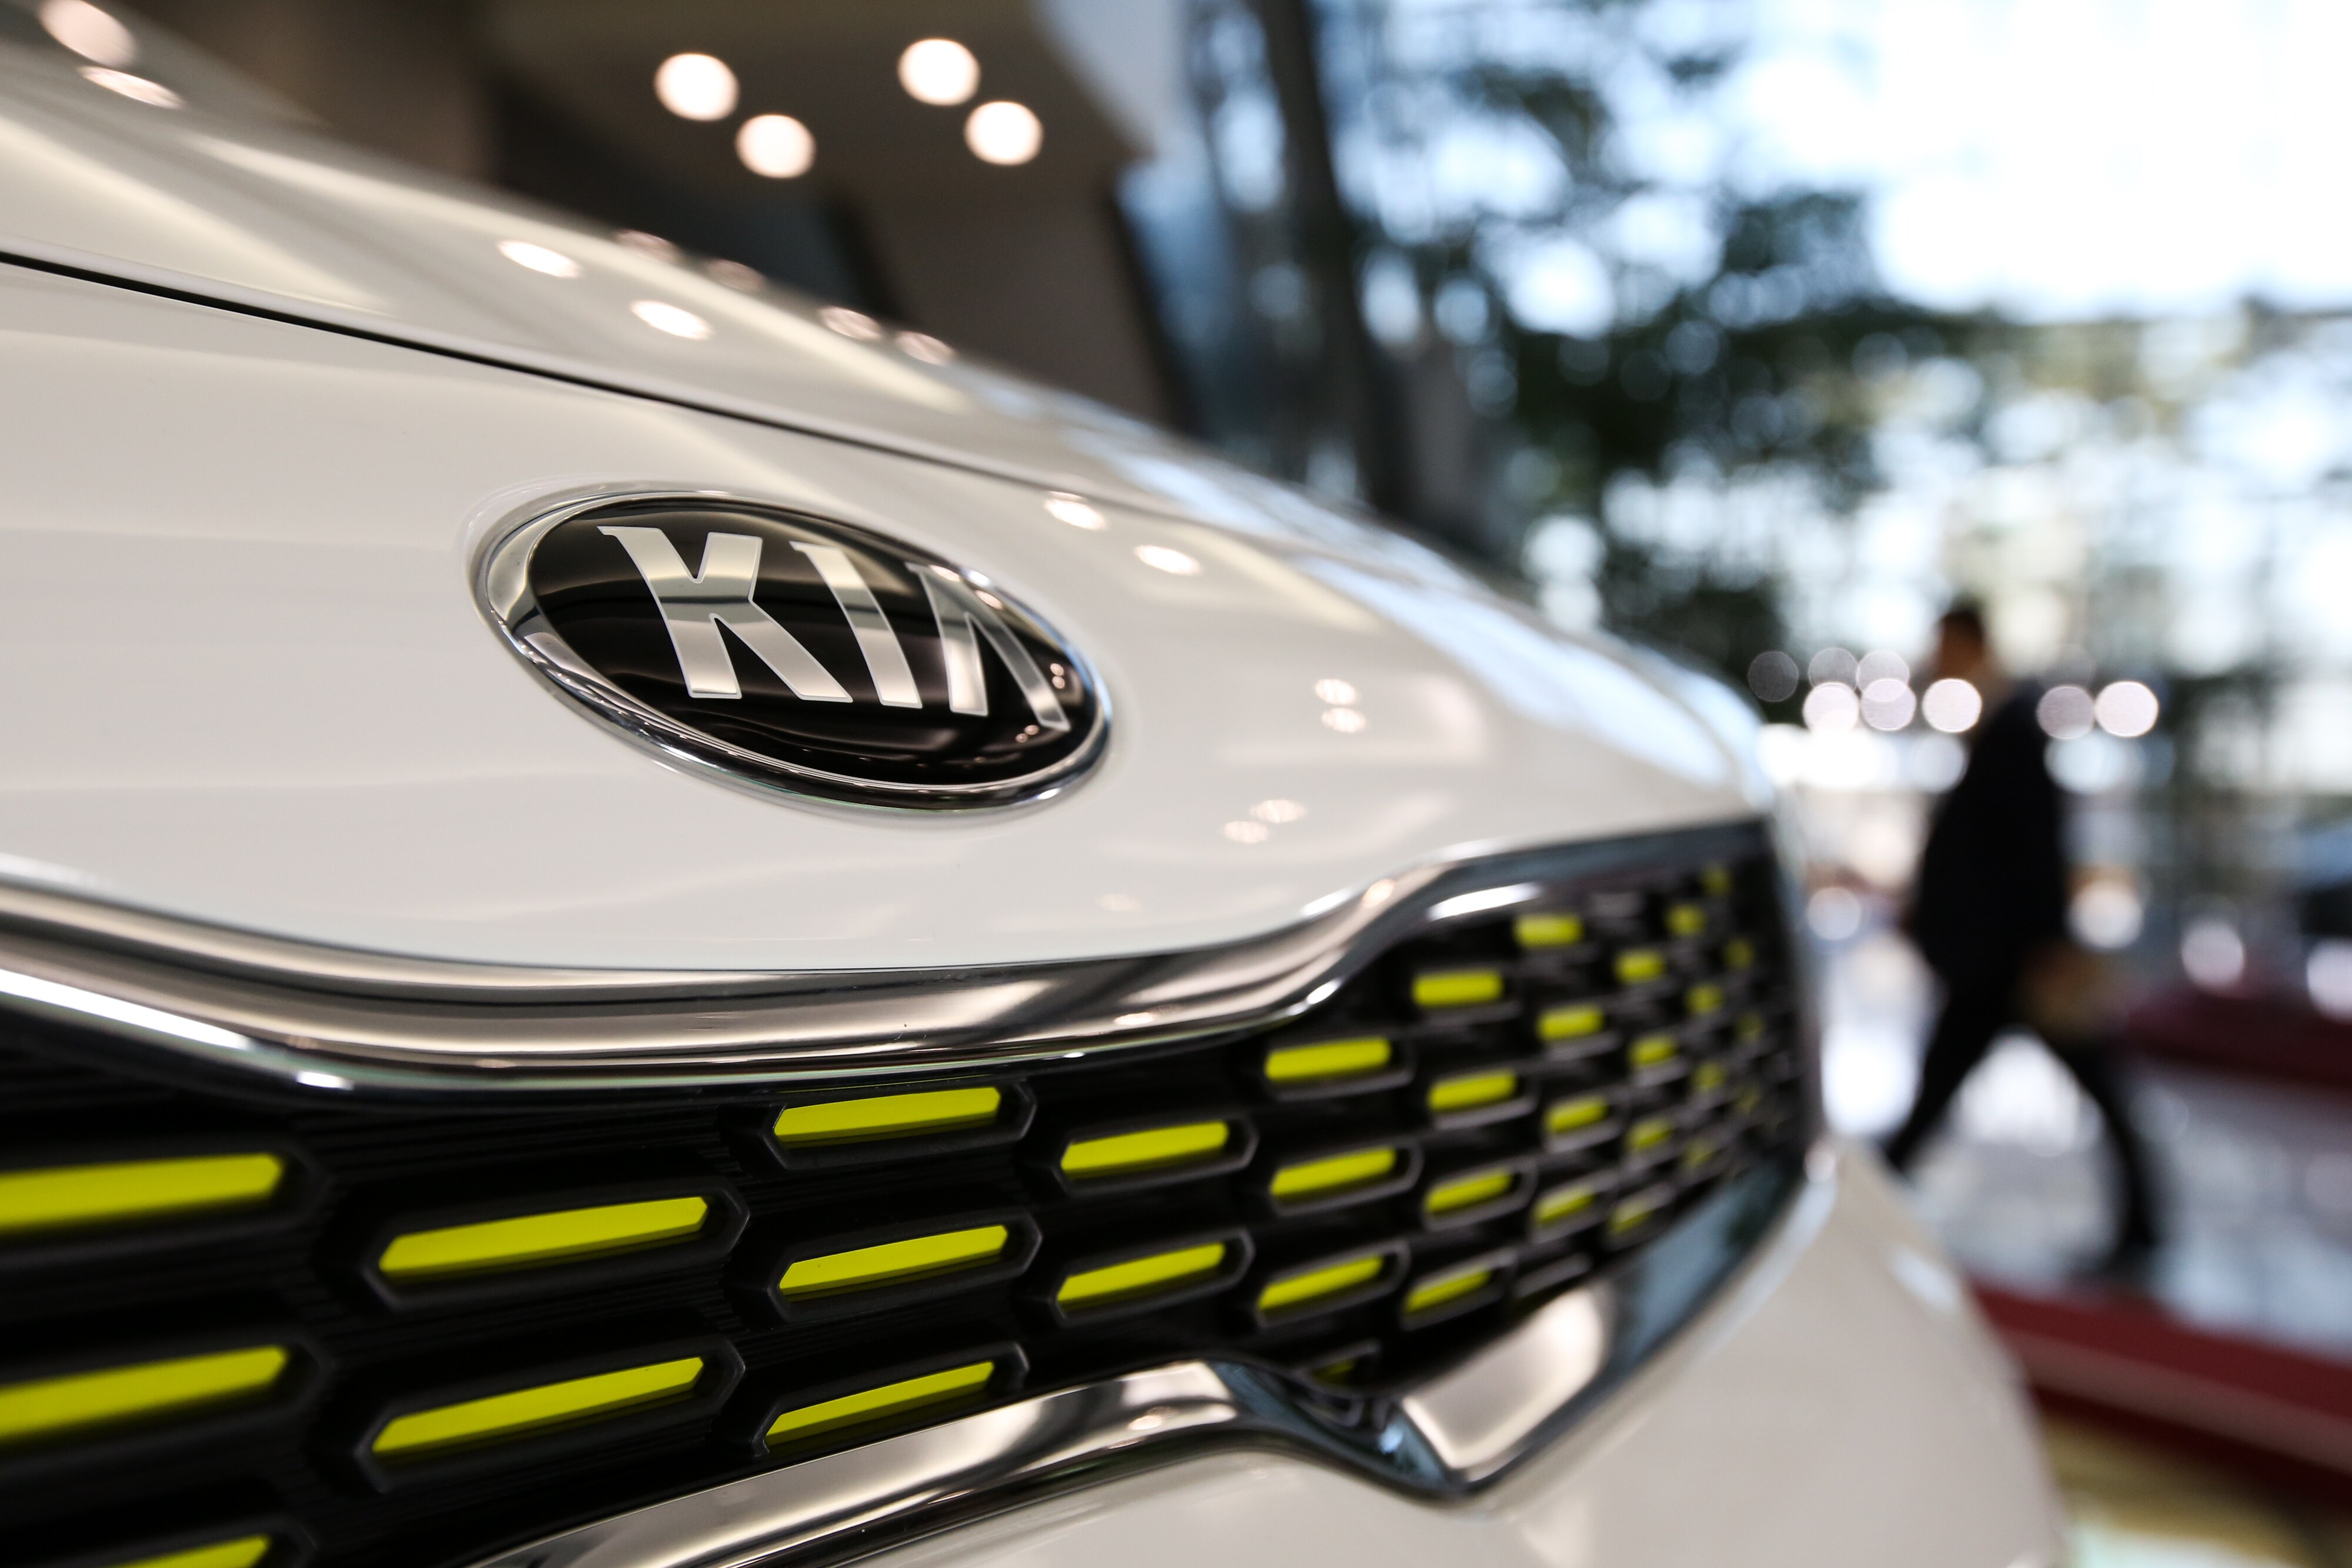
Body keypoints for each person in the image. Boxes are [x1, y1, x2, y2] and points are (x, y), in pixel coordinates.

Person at [1883, 603, 2160, 1273]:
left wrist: (2048, 947)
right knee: (1939, 1090)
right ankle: (1877, 1200)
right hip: (1998, 961)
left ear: (1967, 643)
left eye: (1943, 645)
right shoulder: (1995, 725)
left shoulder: (2012, 728)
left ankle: (2144, 1229)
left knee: (2078, 1086)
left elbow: (2034, 852)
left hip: (2009, 961)